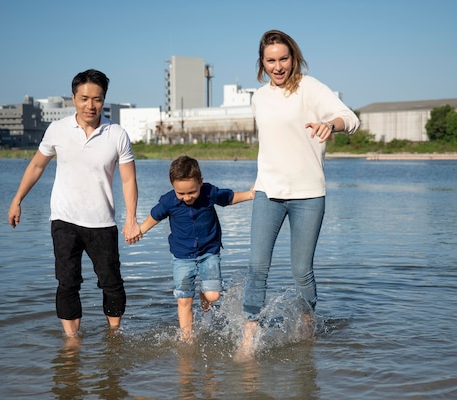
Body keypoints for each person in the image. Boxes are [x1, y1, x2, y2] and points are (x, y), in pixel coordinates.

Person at [238, 30, 360, 357]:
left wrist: (330, 125)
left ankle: (307, 325)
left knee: (301, 270)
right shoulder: (259, 97)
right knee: (257, 265)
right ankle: (250, 336)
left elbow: (352, 118)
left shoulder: (310, 87)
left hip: (308, 193)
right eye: (271, 60)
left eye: (284, 59)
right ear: (262, 63)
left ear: (293, 57)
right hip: (268, 191)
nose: (278, 67)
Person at [8, 69, 141, 339]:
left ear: (104, 100)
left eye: (97, 99)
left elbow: (128, 180)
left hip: (102, 222)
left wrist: (131, 218)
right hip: (64, 220)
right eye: (84, 98)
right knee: (67, 282)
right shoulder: (57, 129)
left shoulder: (116, 134)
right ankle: (71, 342)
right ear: (73, 98)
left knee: (112, 283)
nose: (90, 105)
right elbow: (36, 165)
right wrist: (17, 199)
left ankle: (114, 334)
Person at [138, 155, 254, 341]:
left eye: (191, 192)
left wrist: (249, 195)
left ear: (201, 182)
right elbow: (155, 216)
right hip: (182, 257)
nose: (187, 198)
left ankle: (203, 291)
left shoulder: (209, 193)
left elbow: (229, 198)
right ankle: (187, 337)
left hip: (209, 253)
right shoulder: (169, 201)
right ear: (173, 187)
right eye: (181, 193)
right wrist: (140, 230)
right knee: (184, 298)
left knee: (213, 296)